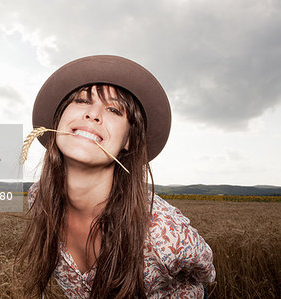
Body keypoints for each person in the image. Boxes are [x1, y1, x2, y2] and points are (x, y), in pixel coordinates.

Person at [17, 55, 215, 298]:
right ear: (58, 121)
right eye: (81, 101)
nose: (93, 114)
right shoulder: (40, 198)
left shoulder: (160, 229)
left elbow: (205, 275)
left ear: (128, 141)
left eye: (113, 109)